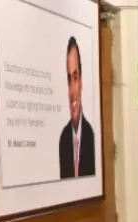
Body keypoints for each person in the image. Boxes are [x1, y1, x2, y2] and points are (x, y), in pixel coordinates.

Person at [59, 37, 95, 179]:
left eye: (75, 78)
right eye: (69, 80)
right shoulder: (64, 140)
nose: (72, 91)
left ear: (81, 81)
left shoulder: (91, 136)